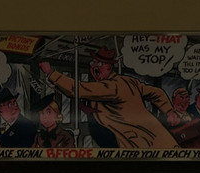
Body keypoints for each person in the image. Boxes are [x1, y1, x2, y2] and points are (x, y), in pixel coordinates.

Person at [38, 46, 178, 149]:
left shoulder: (111, 87)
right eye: (92, 64)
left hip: (145, 145)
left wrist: (51, 73)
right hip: (158, 142)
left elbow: (77, 89)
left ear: (106, 67)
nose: (93, 68)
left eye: (95, 64)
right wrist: (169, 111)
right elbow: (156, 92)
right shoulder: (128, 81)